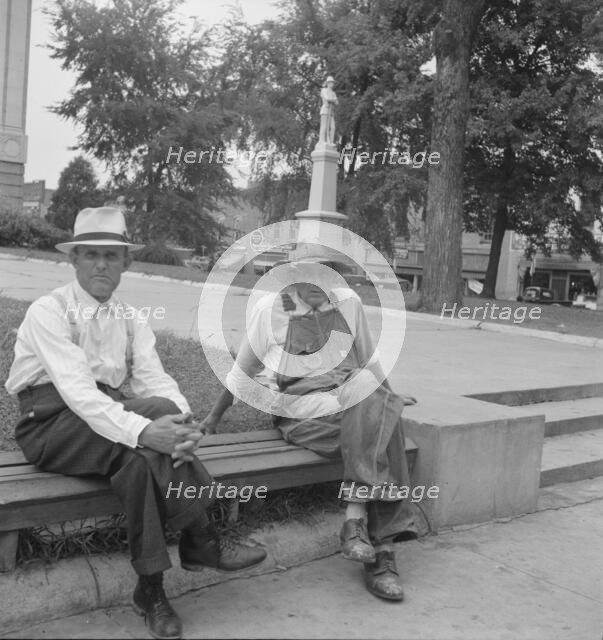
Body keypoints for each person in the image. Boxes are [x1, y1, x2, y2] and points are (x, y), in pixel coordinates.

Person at [5, 207, 266, 640]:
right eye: (91, 255)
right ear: (74, 260)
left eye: (111, 255)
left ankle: (152, 590)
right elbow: (79, 395)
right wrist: (149, 431)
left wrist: (181, 425)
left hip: (106, 422)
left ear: (127, 262)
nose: (101, 265)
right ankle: (202, 536)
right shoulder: (48, 311)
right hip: (49, 424)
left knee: (141, 462)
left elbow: (155, 378)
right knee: (145, 434)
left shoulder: (131, 318)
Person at [200, 250, 420, 601]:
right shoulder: (270, 310)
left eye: (329, 272)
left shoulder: (348, 302)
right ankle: (381, 552)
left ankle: (358, 526)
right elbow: (242, 374)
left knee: (377, 405)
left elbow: (368, 356)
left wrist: (389, 395)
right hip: (302, 415)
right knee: (383, 420)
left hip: (349, 401)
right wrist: (212, 419)